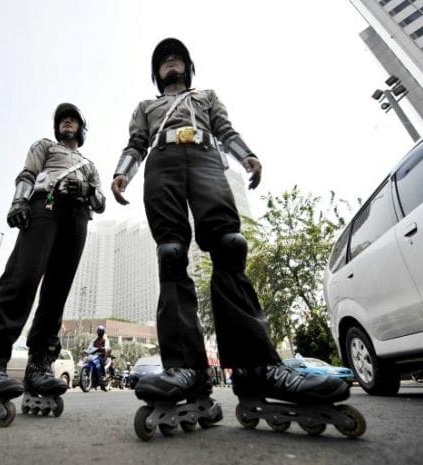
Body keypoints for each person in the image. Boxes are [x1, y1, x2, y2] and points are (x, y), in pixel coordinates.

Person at [111, 38, 350, 407]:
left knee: (229, 246)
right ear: (156, 73)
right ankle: (184, 370)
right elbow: (136, 144)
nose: (171, 61)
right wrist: (122, 174)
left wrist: (248, 156)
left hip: (207, 159)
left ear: (188, 67)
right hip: (162, 164)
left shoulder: (206, 97)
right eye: (163, 60)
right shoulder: (146, 106)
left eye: (177, 57)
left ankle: (255, 368)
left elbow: (225, 129)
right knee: (171, 253)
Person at [0, 103, 106, 401]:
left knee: (56, 294)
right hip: (44, 207)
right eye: (63, 119)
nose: (67, 122)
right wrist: (18, 202)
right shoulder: (44, 146)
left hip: (78, 217)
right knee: (23, 278)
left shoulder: (89, 164)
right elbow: (27, 175)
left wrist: (89, 193)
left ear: (82, 129)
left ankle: (40, 367)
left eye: (73, 119)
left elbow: (100, 201)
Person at [86, 325, 111, 390]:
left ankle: (102, 376)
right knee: (87, 360)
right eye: (98, 331)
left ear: (103, 332)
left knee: (99, 360)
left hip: (102, 355)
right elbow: (89, 347)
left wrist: (104, 348)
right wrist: (86, 351)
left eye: (101, 331)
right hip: (94, 355)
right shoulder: (94, 340)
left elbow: (107, 347)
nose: (99, 332)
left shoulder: (105, 340)